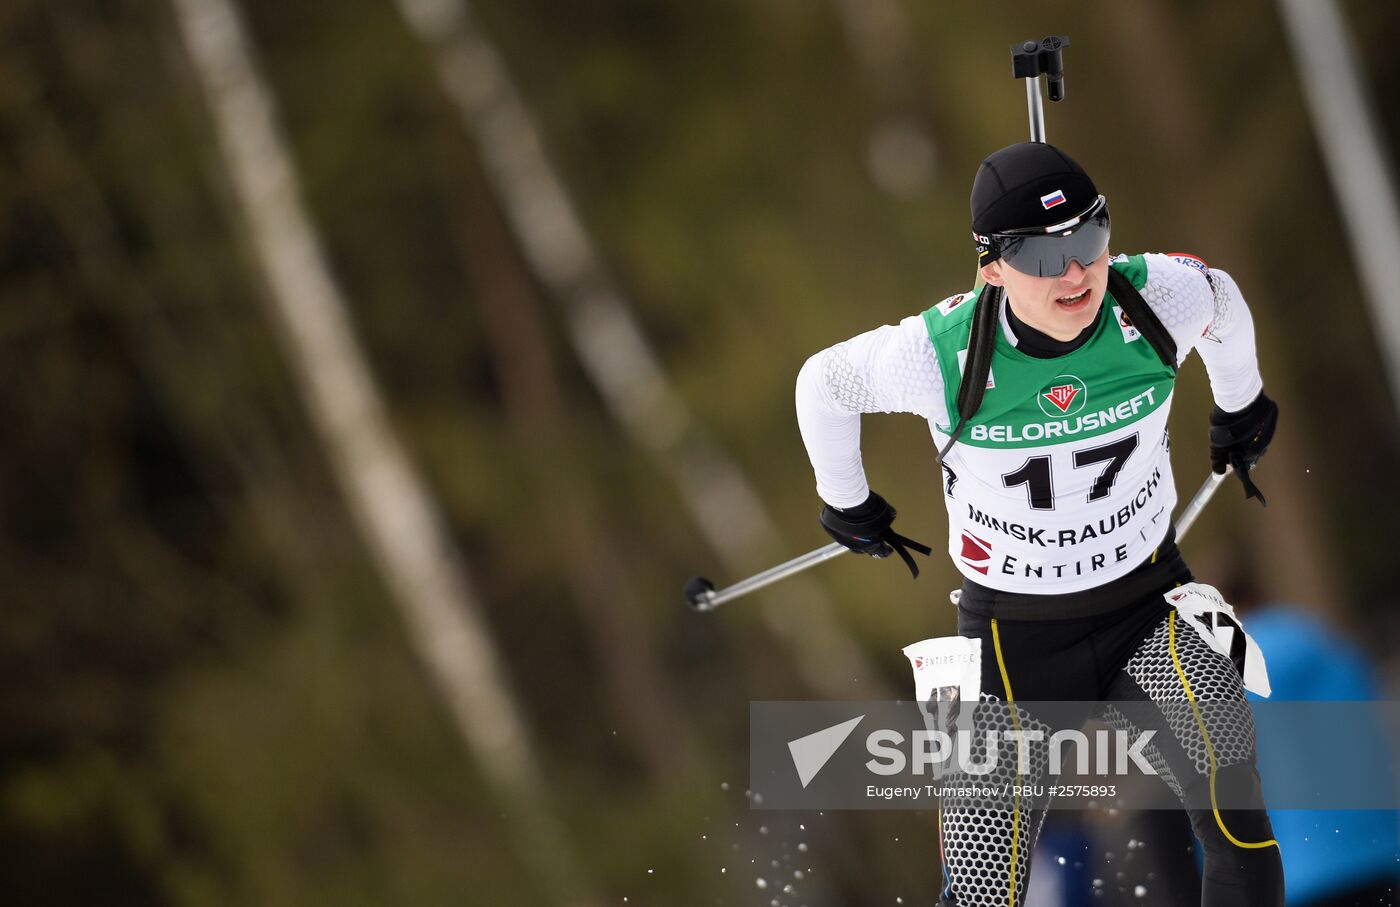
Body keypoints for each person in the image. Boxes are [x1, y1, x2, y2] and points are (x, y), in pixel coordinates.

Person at [795, 142, 1283, 906]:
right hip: (1010, 645)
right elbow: (823, 383)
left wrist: (1241, 402)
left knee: (1239, 816)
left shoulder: (1158, 298)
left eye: (1090, 240)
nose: (1076, 273)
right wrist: (846, 499)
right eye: (1044, 255)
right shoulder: (941, 355)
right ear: (991, 265)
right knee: (983, 892)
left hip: (1146, 607)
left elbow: (1221, 297)